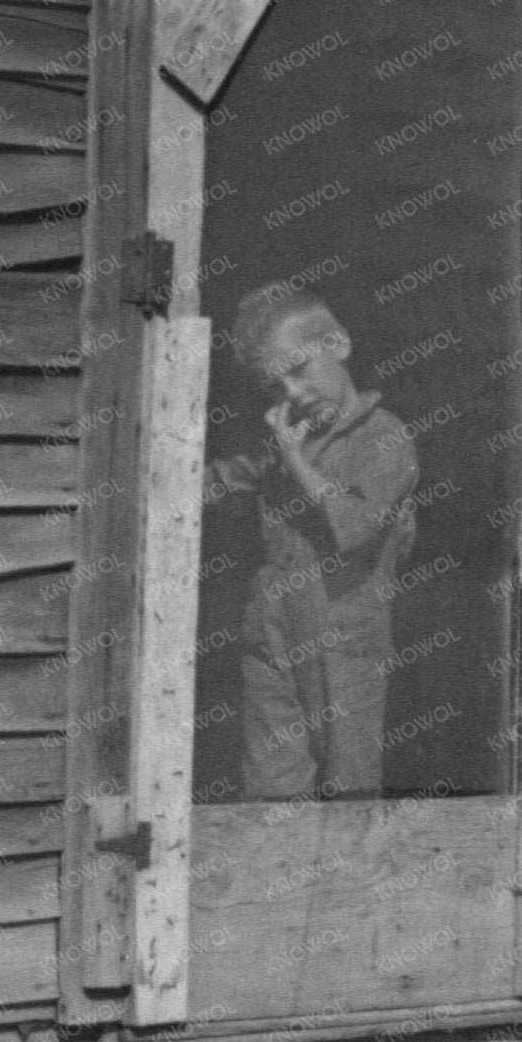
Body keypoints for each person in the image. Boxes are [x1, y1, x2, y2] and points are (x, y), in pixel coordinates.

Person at [209, 283, 418, 800]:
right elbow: (210, 481)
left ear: (339, 345)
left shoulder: (384, 437)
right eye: (275, 389)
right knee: (270, 787)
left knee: (349, 788)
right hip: (271, 637)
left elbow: (356, 525)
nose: (293, 396)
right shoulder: (282, 441)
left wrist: (295, 460)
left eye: (299, 370)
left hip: (346, 645)